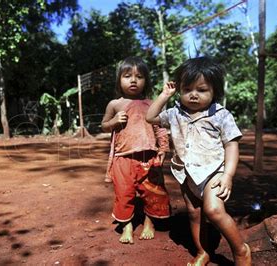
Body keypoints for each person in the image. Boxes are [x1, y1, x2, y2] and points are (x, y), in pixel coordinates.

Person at [146, 57, 251, 265]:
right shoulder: (175, 113)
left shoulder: (221, 115)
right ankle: (202, 251)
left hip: (214, 172)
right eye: (187, 89)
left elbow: (231, 145)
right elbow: (150, 117)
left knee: (213, 210)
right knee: (194, 213)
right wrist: (164, 95)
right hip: (185, 172)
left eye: (201, 90)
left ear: (214, 91)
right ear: (180, 90)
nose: (193, 95)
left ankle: (241, 250)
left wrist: (228, 175)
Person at [101, 56, 171, 244]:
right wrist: (114, 122)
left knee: (152, 192)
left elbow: (160, 127)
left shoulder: (151, 104)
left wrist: (163, 147)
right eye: (127, 76)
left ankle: (149, 223)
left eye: (139, 76)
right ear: (119, 80)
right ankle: (127, 225)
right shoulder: (114, 104)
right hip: (123, 158)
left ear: (146, 81)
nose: (133, 80)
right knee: (124, 193)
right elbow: (104, 125)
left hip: (149, 156)